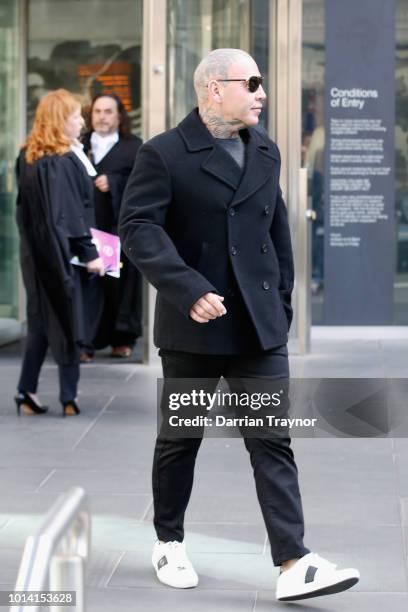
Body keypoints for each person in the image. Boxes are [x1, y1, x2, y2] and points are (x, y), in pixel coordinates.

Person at [119, 49, 360, 601]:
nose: (261, 93)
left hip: (258, 327)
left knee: (272, 440)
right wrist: (186, 288)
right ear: (212, 89)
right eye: (250, 83)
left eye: (261, 83)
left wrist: (283, 304)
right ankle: (169, 541)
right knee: (180, 439)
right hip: (194, 326)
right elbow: (138, 229)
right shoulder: (164, 154)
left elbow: (274, 232)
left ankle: (294, 562)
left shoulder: (266, 149)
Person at [15, 89, 105, 417]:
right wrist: (90, 252)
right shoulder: (64, 161)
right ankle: (69, 397)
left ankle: (27, 391)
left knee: (40, 320)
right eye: (75, 116)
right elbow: (71, 216)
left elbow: (23, 212)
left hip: (35, 254)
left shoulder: (26, 157)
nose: (81, 120)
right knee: (69, 319)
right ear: (60, 120)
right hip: (65, 255)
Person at [81, 94, 143, 360]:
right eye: (97, 111)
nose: (102, 116)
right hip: (83, 228)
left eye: (108, 111)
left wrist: (115, 181)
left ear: (119, 116)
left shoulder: (134, 147)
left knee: (118, 285)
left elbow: (142, 183)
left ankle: (121, 338)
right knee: (87, 286)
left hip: (114, 229)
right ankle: (86, 341)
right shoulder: (79, 145)